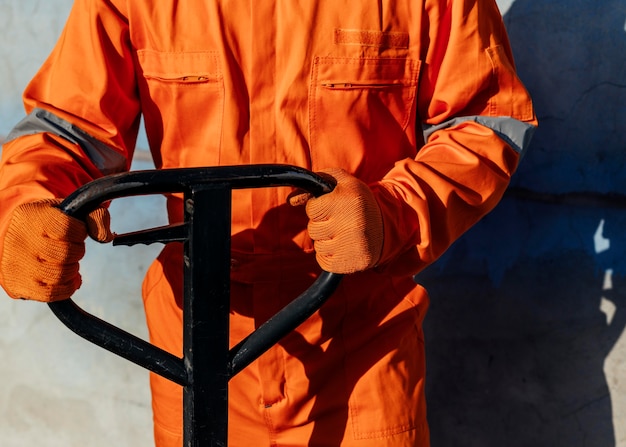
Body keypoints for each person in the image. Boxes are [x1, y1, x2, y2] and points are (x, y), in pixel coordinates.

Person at [0, 0, 536, 446]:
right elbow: (67, 128)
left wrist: (392, 212)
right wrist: (28, 204)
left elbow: (482, 125)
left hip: (358, 339)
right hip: (194, 339)